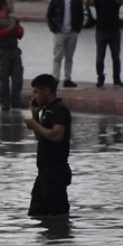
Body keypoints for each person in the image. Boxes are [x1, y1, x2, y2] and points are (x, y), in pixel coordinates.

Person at [23, 74, 72, 217]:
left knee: (58, 215)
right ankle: (47, 238)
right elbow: (40, 137)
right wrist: (35, 115)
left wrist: (35, 126)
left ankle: (59, 239)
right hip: (44, 173)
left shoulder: (59, 109)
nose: (34, 96)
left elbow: (57, 135)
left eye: (36, 92)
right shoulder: (47, 111)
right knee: (36, 214)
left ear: (46, 91)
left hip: (55, 173)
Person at [85, 0, 123, 87]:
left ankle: (117, 79)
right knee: (100, 57)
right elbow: (86, 3)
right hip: (101, 31)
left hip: (114, 31)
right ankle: (100, 78)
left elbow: (120, 1)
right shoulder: (97, 0)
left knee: (116, 57)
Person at [0, 0, 26, 111]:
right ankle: (5, 103)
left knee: (18, 77)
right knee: (4, 79)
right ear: (3, 6)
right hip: (3, 52)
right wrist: (8, 30)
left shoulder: (12, 19)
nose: (10, 6)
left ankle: (16, 100)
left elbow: (20, 34)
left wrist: (16, 29)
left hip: (14, 51)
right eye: (8, 4)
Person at [46, 0, 84, 88]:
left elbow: (81, 15)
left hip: (72, 32)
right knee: (57, 56)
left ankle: (68, 78)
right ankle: (55, 78)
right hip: (59, 32)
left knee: (69, 56)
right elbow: (49, 15)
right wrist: (53, 28)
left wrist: (78, 28)